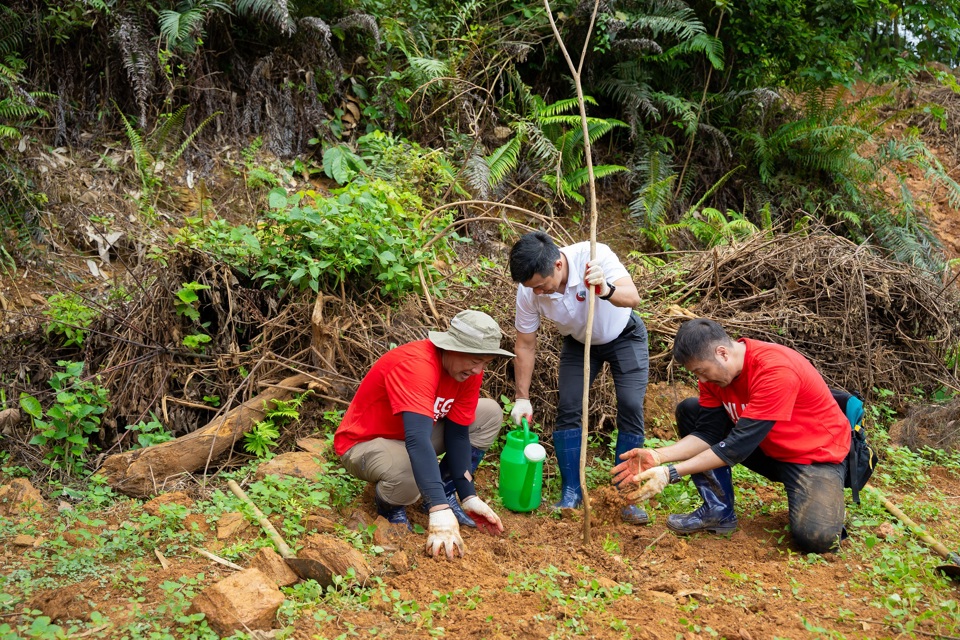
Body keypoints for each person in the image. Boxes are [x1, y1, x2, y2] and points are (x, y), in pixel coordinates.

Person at [612, 318, 852, 554]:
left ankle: (829, 503)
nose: (702, 380)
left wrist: (671, 473)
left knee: (817, 540)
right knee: (691, 411)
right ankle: (719, 511)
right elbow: (708, 433)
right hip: (767, 447)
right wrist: (659, 456)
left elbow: (736, 447)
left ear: (722, 353)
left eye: (702, 371)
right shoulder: (716, 375)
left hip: (813, 456)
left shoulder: (775, 370)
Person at [334, 310, 513, 558]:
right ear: (452, 347)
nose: (478, 369)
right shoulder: (416, 366)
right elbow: (417, 440)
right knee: (406, 471)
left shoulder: (468, 371)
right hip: (366, 443)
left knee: (489, 413)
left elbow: (458, 433)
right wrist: (439, 514)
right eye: (475, 360)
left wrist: (468, 494)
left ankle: (442, 493)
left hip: (413, 436)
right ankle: (392, 505)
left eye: (485, 362)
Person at [508, 231, 650, 524]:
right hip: (579, 342)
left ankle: (626, 494)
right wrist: (522, 397)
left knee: (631, 405)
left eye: (540, 285)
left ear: (558, 265)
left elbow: (633, 297)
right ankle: (571, 491)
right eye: (530, 287)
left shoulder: (593, 255)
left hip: (624, 335)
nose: (537, 293)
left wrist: (606, 289)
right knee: (569, 407)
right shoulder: (528, 290)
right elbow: (525, 344)